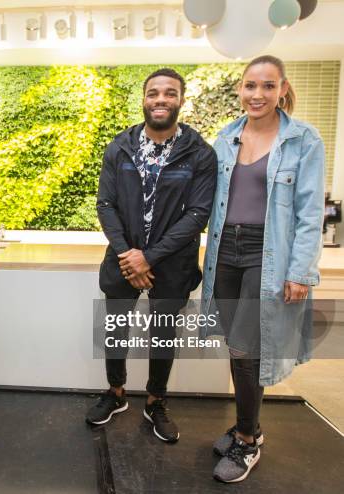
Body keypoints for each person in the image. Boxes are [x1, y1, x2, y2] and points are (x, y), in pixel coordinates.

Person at [201, 55, 324, 483]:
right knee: (237, 346)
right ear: (240, 88)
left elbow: (311, 213)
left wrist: (300, 271)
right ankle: (244, 425)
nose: (258, 94)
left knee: (249, 348)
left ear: (282, 88)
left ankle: (248, 440)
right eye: (250, 85)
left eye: (268, 86)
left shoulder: (303, 139)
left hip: (265, 252)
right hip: (224, 251)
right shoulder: (226, 137)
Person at [86, 68, 217, 443]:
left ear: (180, 100)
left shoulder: (200, 153)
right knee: (115, 330)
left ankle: (156, 401)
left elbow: (198, 214)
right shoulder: (120, 146)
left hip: (172, 264)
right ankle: (116, 393)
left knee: (162, 333)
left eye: (169, 93)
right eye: (154, 93)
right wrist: (130, 255)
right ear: (144, 99)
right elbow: (106, 204)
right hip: (123, 259)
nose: (161, 99)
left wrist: (150, 257)